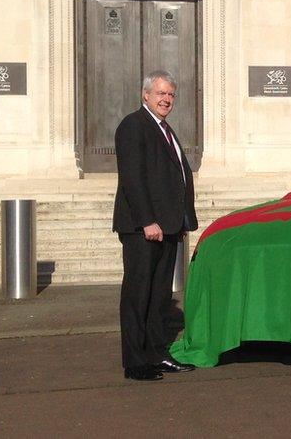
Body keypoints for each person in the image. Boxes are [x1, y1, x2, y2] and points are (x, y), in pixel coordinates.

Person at [113, 71, 199, 381]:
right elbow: (133, 179)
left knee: (158, 295)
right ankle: (136, 362)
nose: (166, 99)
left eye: (171, 95)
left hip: (168, 226)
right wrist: (147, 220)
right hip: (143, 228)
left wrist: (183, 218)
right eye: (161, 93)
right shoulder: (133, 126)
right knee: (138, 294)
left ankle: (156, 354)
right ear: (145, 95)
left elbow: (176, 176)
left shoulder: (165, 129)